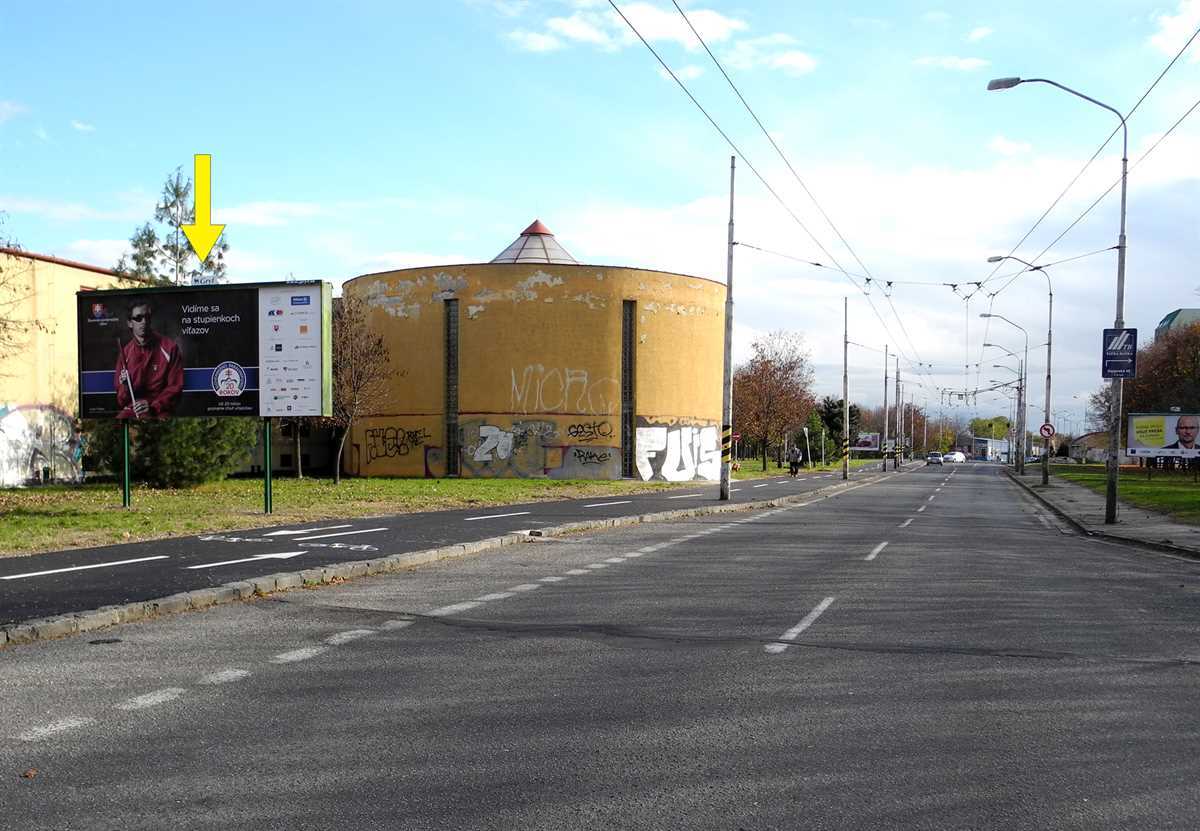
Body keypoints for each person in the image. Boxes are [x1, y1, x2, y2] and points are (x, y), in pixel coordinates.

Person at [114, 301, 184, 419]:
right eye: (138, 318)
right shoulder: (125, 353)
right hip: (133, 412)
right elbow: (121, 401)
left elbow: (175, 387)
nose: (144, 322)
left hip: (160, 412)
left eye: (147, 317)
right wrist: (125, 387)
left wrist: (153, 406)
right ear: (130, 323)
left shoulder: (169, 347)